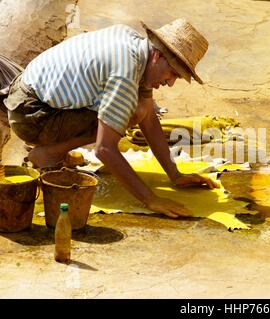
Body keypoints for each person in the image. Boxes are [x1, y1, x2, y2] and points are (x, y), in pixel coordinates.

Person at [3, 18, 219, 218]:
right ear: (158, 55)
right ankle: (48, 153)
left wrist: (175, 174)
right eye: (172, 73)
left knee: (136, 108)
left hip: (31, 99)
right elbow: (104, 150)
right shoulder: (125, 70)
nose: (171, 82)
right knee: (127, 112)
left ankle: (56, 147)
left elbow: (150, 120)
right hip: (31, 114)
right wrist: (151, 199)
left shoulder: (136, 47)